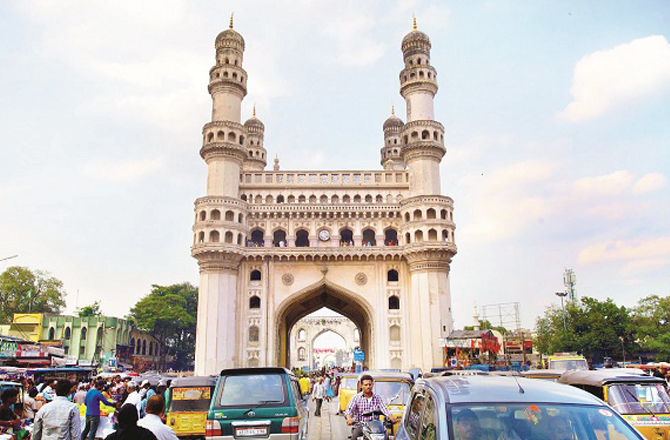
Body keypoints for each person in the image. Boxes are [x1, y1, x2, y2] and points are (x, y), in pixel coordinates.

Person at [345, 374, 398, 440]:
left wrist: (391, 416)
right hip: (361, 426)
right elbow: (349, 410)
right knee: (355, 436)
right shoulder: (356, 398)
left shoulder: (377, 398)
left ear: (372, 385)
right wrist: (349, 418)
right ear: (361, 386)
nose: (368, 386)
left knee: (388, 436)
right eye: (366, 385)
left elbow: (384, 408)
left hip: (376, 427)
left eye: (370, 384)